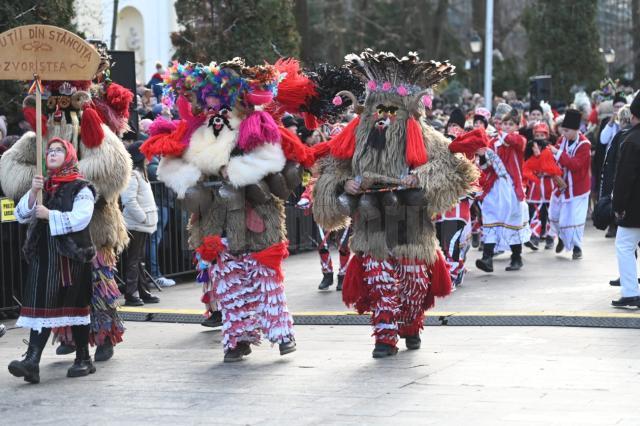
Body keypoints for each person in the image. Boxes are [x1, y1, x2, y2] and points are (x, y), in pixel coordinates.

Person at [313, 50, 477, 358]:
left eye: (391, 110)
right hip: (371, 222)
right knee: (380, 280)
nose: (383, 116)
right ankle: (384, 337)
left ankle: (412, 323)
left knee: (413, 281)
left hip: (411, 222)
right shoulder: (357, 134)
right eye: (378, 109)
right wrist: (343, 184)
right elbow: (331, 169)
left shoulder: (423, 134)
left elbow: (456, 167)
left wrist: (421, 177)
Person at [8, 138, 97, 383]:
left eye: (59, 150)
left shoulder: (82, 187)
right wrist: (34, 191)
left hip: (70, 257)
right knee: (40, 308)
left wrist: (50, 215)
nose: (52, 153)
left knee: (75, 308)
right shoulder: (43, 185)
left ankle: (83, 358)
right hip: (44, 257)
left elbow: (81, 218)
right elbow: (21, 215)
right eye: (50, 150)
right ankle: (32, 361)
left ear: (68, 156)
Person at [476, 105, 530, 272]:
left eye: (510, 124)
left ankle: (516, 257)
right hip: (495, 186)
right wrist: (482, 155)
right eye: (504, 124)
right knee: (490, 218)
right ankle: (487, 258)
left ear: (517, 126)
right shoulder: (492, 142)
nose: (506, 127)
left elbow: (514, 141)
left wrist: (502, 135)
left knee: (513, 220)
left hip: (512, 187)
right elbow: (486, 167)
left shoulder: (519, 140)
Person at [120, 142, 160, 306]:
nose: (149, 157)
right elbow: (128, 200)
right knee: (134, 259)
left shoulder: (140, 174)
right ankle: (131, 294)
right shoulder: (134, 175)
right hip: (136, 224)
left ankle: (143, 292)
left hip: (140, 224)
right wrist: (143, 218)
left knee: (138, 259)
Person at [549, 109, 591, 260]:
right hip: (561, 187)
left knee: (574, 219)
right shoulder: (562, 140)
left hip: (578, 189)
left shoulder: (585, 145)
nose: (563, 133)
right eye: (563, 130)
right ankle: (561, 237)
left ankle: (577, 248)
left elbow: (575, 165)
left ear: (576, 130)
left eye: (567, 130)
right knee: (554, 215)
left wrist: (557, 153)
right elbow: (553, 160)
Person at [611, 93, 640, 307]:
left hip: (634, 208)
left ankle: (631, 292)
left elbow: (623, 179)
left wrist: (618, 206)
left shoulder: (630, 140)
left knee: (624, 245)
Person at [523, 123, 562, 250]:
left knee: (551, 213)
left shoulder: (550, 148)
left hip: (549, 184)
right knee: (535, 212)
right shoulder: (530, 148)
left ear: (547, 136)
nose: (539, 138)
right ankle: (534, 236)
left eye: (542, 135)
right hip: (536, 186)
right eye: (537, 135)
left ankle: (550, 237)